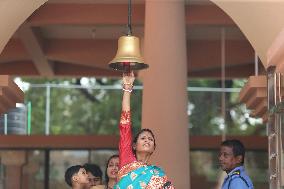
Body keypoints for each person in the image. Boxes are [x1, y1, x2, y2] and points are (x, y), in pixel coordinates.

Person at [114, 72, 174, 189]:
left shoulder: (158, 175)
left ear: (153, 148)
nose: (147, 140)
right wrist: (127, 89)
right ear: (134, 146)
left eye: (150, 139)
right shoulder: (127, 158)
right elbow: (125, 124)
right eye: (143, 138)